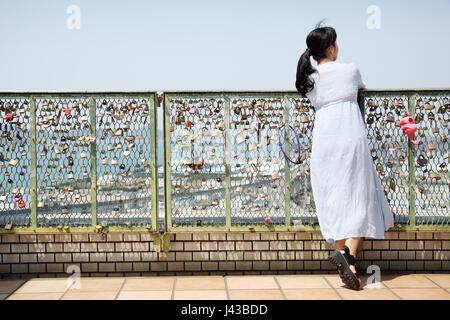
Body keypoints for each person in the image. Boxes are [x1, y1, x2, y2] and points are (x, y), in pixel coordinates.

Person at [295, 25, 394, 290]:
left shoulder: (309, 78)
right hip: (350, 136)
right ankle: (348, 255)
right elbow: (360, 87)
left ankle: (348, 263)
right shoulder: (349, 70)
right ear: (331, 48)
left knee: (335, 198)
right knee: (360, 196)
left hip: (324, 141)